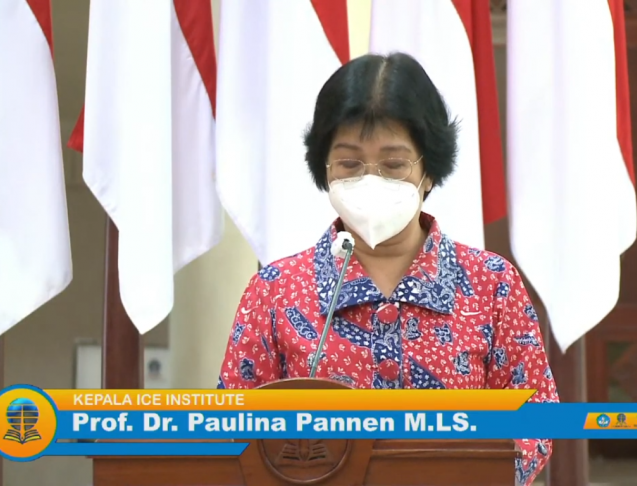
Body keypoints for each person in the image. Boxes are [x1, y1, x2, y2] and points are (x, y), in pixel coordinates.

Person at [217, 52, 558, 486]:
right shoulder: (274, 290)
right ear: (325, 169)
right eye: (350, 164)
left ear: (429, 171)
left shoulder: (492, 284)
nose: (370, 179)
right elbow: (233, 428)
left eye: (394, 164)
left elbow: (536, 419)